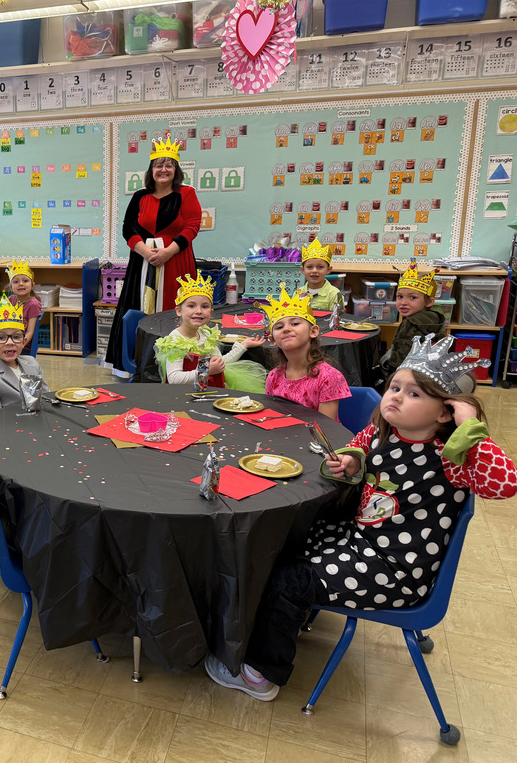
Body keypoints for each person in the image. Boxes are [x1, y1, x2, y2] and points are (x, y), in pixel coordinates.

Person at [205, 333, 517, 701]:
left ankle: (259, 675)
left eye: (414, 394)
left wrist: (469, 429)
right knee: (282, 540)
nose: (396, 397)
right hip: (359, 539)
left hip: (396, 570)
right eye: (394, 387)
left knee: (288, 581)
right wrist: (352, 460)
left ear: (445, 412)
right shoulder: (385, 432)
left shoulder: (452, 456)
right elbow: (358, 444)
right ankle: (281, 617)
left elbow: (505, 484)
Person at [105, 136, 203, 370]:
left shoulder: (186, 193)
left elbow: (192, 226)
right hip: (142, 264)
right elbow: (128, 228)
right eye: (159, 165)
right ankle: (142, 363)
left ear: (176, 170)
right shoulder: (140, 196)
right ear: (151, 170)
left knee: (173, 309)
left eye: (169, 165)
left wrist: (168, 251)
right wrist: (146, 252)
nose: (164, 169)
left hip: (176, 262)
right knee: (140, 308)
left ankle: (175, 365)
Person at [152, 272, 266, 390]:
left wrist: (243, 345)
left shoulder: (206, 334)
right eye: (191, 306)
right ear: (179, 311)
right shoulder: (176, 340)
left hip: (206, 390)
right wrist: (205, 370)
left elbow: (220, 363)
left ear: (211, 312)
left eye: (204, 306)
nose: (199, 311)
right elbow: (174, 379)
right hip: (183, 394)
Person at [261, 286, 350, 420]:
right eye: (279, 327)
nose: (286, 329)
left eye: (295, 324)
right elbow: (271, 417)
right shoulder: (274, 376)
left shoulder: (328, 377)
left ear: (313, 331)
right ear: (273, 340)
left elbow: (326, 427)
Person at [0, 295, 46, 419]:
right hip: (11, 428)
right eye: (1, 337)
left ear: (24, 342)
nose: (10, 342)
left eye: (16, 337)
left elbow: (46, 399)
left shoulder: (32, 364)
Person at [381, 261, 446, 378]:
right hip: (427, 375)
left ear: (429, 302)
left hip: (406, 376)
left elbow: (399, 358)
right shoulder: (435, 318)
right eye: (400, 296)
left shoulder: (411, 323)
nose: (403, 302)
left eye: (413, 297)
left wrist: (391, 379)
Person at [293, 238, 345, 312]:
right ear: (303, 270)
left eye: (320, 267)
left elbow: (337, 317)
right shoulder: (298, 293)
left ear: (328, 270)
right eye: (309, 267)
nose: (314, 271)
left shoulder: (334, 294)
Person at [6, 259, 42, 352]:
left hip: (24, 346)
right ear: (11, 287)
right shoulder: (10, 300)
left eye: (25, 281)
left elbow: (30, 332)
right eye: (16, 282)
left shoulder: (33, 304)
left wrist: (19, 345)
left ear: (32, 285)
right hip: (9, 341)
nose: (21, 284)